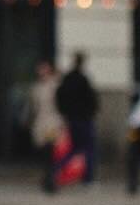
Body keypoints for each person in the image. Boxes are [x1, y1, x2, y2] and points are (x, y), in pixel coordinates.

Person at [56, 51, 100, 185]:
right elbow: (91, 99)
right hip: (84, 118)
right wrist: (92, 111)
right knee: (88, 149)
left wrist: (65, 113)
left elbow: (60, 97)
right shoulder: (83, 79)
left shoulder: (67, 79)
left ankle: (58, 171)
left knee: (73, 148)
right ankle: (88, 177)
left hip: (72, 118)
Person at [28, 59, 65, 194]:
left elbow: (61, 104)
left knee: (51, 152)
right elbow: (34, 107)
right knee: (45, 153)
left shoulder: (55, 85)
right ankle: (48, 179)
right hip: (41, 124)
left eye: (44, 69)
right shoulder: (36, 88)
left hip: (52, 123)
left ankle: (51, 181)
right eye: (40, 69)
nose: (41, 72)